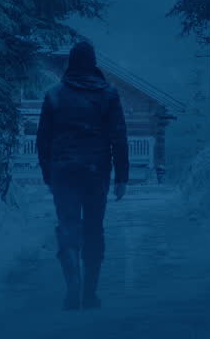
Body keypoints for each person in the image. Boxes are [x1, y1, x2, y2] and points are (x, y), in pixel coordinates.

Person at [36, 41, 129, 310]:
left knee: (68, 225)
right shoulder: (109, 95)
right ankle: (90, 291)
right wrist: (122, 177)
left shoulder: (54, 95)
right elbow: (118, 137)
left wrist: (47, 173)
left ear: (71, 63)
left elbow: (43, 139)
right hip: (96, 171)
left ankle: (72, 284)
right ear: (93, 63)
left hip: (63, 171)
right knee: (93, 228)